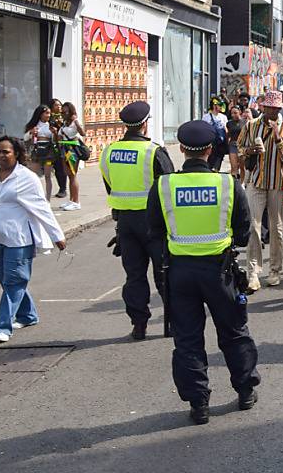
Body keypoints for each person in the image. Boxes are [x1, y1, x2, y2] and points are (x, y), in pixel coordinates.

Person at [146, 120, 259, 426]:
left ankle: (199, 404)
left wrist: (163, 270)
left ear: (182, 149)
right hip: (219, 271)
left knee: (187, 340)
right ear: (211, 150)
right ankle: (245, 390)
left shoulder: (164, 186)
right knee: (234, 333)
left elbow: (154, 233)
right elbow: (243, 232)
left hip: (180, 273)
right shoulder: (228, 184)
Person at [0, 136, 66, 343]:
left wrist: (57, 235)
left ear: (17, 154)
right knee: (5, 279)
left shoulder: (27, 178)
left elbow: (42, 208)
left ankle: (4, 326)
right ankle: (27, 315)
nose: (1, 155)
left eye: (6, 152)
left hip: (20, 237)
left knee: (14, 280)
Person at [99, 101, 175, 340]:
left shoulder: (109, 152)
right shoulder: (153, 151)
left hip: (126, 223)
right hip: (153, 222)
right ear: (144, 124)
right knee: (164, 273)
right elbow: (168, 185)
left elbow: (109, 185)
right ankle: (172, 321)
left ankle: (138, 324)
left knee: (134, 276)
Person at [237, 90, 283, 291]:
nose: (272, 111)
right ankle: (253, 271)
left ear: (280, 109)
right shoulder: (251, 126)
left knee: (277, 229)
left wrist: (278, 138)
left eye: (276, 108)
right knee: (253, 226)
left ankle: (275, 270)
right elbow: (239, 148)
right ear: (263, 107)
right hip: (255, 181)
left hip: (277, 183)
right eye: (269, 107)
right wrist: (249, 151)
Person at [57, 103, 86, 211]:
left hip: (73, 150)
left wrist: (77, 122)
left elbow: (83, 133)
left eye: (65, 112)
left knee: (73, 175)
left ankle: (76, 201)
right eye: (62, 112)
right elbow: (60, 136)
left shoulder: (75, 122)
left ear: (71, 112)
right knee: (68, 174)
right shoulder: (64, 123)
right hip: (65, 150)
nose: (63, 114)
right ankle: (71, 200)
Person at [24, 105, 56, 200]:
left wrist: (55, 133)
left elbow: (55, 141)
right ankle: (34, 196)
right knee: (33, 175)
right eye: (46, 113)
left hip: (48, 152)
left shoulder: (52, 125)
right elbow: (25, 138)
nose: (48, 115)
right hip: (36, 150)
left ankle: (48, 199)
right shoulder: (34, 125)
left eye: (49, 113)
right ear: (40, 114)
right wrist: (31, 133)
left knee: (47, 176)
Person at [48, 99, 68, 199]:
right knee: (55, 168)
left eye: (59, 105)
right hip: (50, 146)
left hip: (60, 145)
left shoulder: (64, 118)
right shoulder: (48, 117)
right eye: (56, 105)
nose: (59, 107)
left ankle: (63, 188)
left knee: (60, 167)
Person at [202, 97, 229, 171]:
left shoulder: (223, 117)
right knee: (209, 163)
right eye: (219, 105)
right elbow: (204, 129)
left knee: (217, 165)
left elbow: (226, 130)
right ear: (214, 105)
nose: (221, 107)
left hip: (221, 144)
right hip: (210, 143)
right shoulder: (206, 117)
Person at [226, 106, 246, 180]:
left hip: (242, 146)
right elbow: (228, 134)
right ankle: (234, 184)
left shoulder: (245, 122)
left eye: (235, 113)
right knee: (233, 167)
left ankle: (241, 183)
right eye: (232, 113)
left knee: (242, 166)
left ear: (240, 112)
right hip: (233, 145)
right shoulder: (229, 123)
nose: (233, 115)